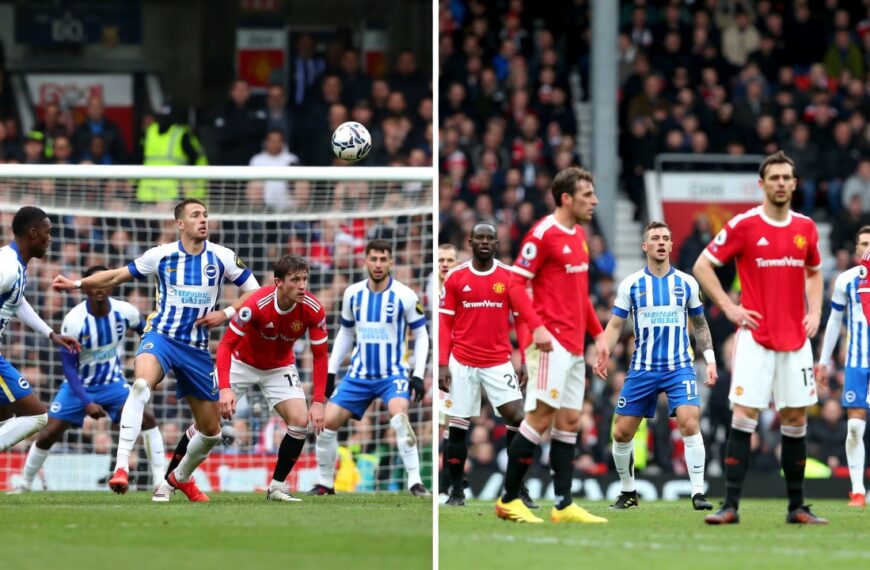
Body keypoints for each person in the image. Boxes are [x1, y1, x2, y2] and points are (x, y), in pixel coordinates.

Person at [52, 199, 260, 502]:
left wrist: (225, 313)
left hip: (196, 348)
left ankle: (179, 478)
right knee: (140, 386)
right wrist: (76, 283)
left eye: (205, 215)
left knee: (212, 431)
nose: (203, 220)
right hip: (161, 336)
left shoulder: (222, 256)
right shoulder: (161, 255)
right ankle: (121, 466)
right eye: (195, 215)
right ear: (180, 224)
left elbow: (255, 290)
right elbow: (114, 276)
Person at [693, 151, 827, 525]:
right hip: (755, 338)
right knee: (744, 415)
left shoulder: (806, 227)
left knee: (795, 417)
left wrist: (815, 311)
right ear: (762, 184)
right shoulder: (744, 225)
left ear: (794, 184)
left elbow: (814, 271)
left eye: (786, 178)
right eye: (774, 178)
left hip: (796, 339)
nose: (781, 183)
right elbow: (702, 265)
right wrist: (728, 306)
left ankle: (796, 507)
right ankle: (730, 505)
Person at [495, 167, 609, 525]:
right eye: (588, 195)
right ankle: (509, 499)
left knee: (570, 420)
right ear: (566, 198)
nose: (594, 201)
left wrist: (599, 335)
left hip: (574, 343)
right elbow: (515, 284)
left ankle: (563, 504)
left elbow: (580, 293)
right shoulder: (542, 234)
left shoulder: (580, 235)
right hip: (550, 343)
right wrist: (537, 328)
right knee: (541, 416)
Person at [594, 221, 716, 511]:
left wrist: (710, 360)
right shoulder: (631, 284)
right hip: (643, 368)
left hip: (679, 366)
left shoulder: (687, 283)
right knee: (621, 433)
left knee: (690, 422)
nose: (661, 242)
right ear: (645, 246)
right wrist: (604, 352)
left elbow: (700, 324)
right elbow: (615, 325)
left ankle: (697, 492)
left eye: (665, 238)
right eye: (655, 238)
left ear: (671, 245)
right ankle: (628, 491)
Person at [13, 265, 165, 493]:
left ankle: (159, 481)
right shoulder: (74, 320)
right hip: (78, 387)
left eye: (103, 282)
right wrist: (87, 402)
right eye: (94, 283)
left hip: (113, 384)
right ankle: (24, 485)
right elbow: (68, 368)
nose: (99, 288)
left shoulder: (126, 312)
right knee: (49, 433)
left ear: (112, 285)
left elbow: (148, 335)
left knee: (148, 418)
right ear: (85, 288)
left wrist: (148, 363)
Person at [309, 239, 430, 497]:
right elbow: (345, 333)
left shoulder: (406, 295)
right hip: (358, 375)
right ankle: (325, 483)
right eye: (373, 259)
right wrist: (330, 371)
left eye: (383, 259)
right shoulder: (353, 294)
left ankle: (415, 482)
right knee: (326, 424)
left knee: (399, 417)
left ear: (391, 262)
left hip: (393, 374)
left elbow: (421, 335)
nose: (378, 264)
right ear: (365, 261)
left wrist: (418, 375)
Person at [214, 254, 328, 502]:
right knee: (206, 422)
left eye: (305, 279)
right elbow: (225, 345)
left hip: (279, 367)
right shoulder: (256, 303)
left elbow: (320, 356)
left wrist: (319, 401)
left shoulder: (313, 308)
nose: (302, 286)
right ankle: (175, 478)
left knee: (300, 421)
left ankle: (277, 486)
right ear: (279, 282)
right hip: (241, 362)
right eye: (295, 280)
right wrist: (224, 387)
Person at [439, 222, 529, 507]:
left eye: (490, 238)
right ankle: (456, 491)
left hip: (498, 361)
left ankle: (516, 488)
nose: (485, 242)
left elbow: (522, 320)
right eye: (480, 237)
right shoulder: (455, 277)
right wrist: (442, 363)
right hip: (462, 362)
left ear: (497, 243)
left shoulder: (509, 276)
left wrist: (524, 358)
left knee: (518, 418)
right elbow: (444, 323)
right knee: (457, 426)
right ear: (470, 242)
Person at [0, 207, 80, 451]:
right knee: (37, 416)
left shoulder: (15, 265)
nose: (50, 238)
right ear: (33, 233)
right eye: (48, 232)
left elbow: (17, 302)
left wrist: (51, 334)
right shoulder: (7, 267)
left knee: (5, 417)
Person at [817, 225, 870, 506]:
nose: (868, 248)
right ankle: (858, 490)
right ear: (856, 249)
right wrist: (823, 361)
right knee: (855, 428)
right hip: (856, 363)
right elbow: (834, 321)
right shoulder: (846, 280)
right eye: (864, 244)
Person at [138, 104, 208, 203]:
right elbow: (139, 158)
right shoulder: (152, 131)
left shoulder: (179, 133)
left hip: (164, 194)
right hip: (155, 194)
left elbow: (198, 160)